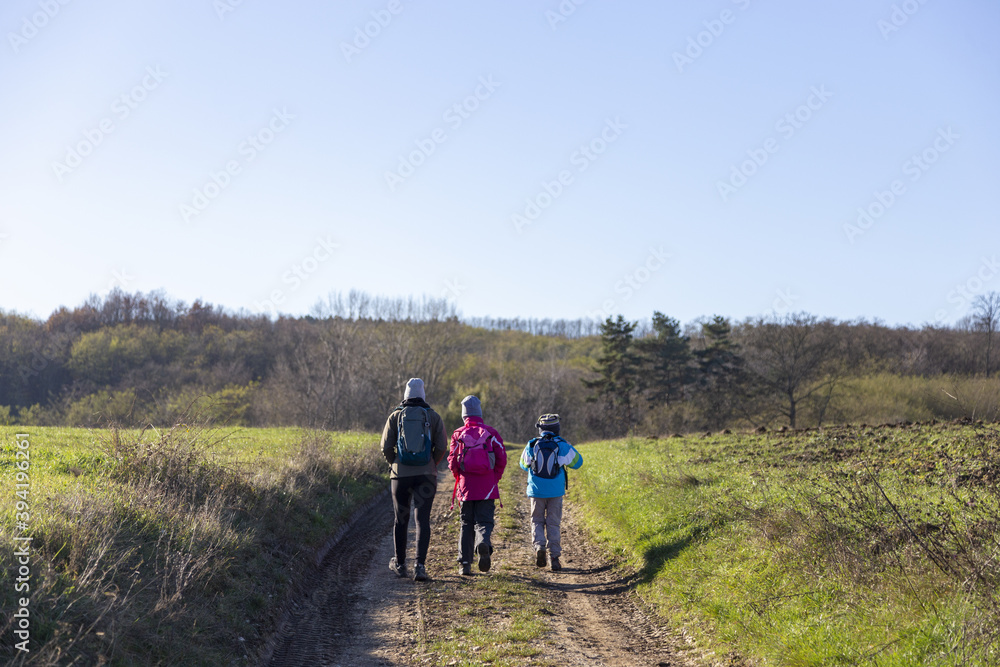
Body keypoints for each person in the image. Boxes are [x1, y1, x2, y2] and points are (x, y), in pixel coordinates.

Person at [380, 378, 447, 582]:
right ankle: (420, 566)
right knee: (422, 520)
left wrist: (396, 464)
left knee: (401, 519)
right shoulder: (433, 416)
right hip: (426, 476)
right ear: (423, 394)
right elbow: (443, 446)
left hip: (400, 476)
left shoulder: (395, 416)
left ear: (405, 395)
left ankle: (400, 565)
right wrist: (431, 463)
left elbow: (385, 447)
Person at [448, 395, 507, 576]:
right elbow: (502, 458)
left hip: (466, 487)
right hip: (487, 486)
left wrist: (459, 477)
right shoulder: (491, 433)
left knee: (466, 522)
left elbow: (452, 462)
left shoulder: (458, 434)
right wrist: (494, 478)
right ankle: (482, 542)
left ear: (464, 414)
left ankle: (465, 564)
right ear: (479, 413)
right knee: (484, 521)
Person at [519, 413, 582, 572]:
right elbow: (578, 463)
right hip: (555, 492)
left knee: (537, 520)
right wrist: (569, 445)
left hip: (536, 491)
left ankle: (539, 546)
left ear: (540, 429)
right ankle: (554, 558)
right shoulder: (561, 444)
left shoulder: (532, 444)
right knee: (553, 523)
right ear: (557, 428)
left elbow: (522, 465)